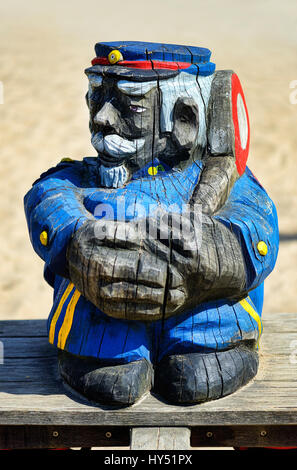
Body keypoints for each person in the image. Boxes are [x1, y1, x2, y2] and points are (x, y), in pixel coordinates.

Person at [24, 41, 279, 406]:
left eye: (130, 106)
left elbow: (257, 222)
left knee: (198, 370)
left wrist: (217, 251)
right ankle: (108, 350)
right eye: (96, 99)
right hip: (101, 322)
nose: (102, 118)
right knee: (110, 371)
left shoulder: (226, 181)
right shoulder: (82, 176)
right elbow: (47, 196)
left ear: (185, 120)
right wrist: (74, 241)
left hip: (204, 322)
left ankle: (210, 346)